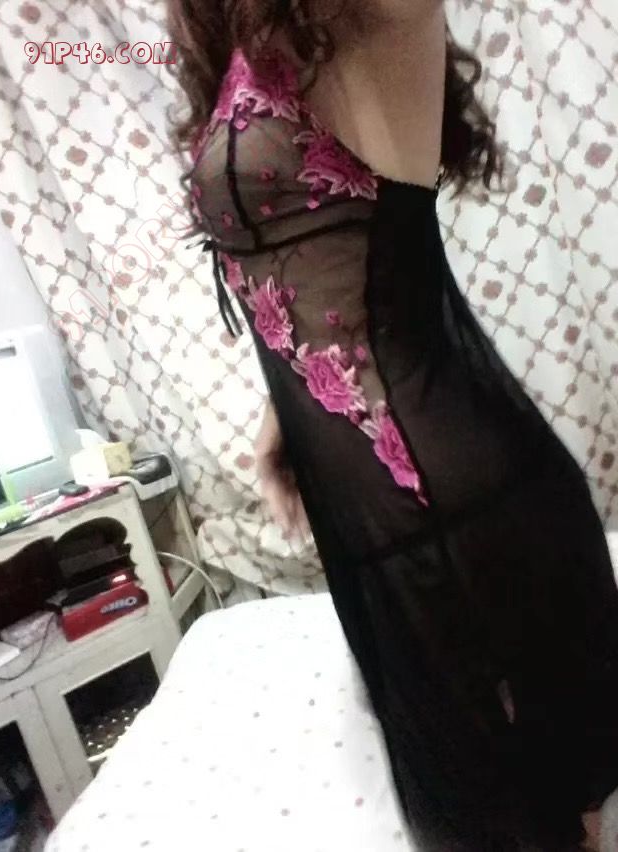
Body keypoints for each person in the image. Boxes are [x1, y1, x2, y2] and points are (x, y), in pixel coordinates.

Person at [168, 2, 618, 849]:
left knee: (527, 812)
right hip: (379, 519)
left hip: (458, 507)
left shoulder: (367, 17)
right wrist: (281, 419)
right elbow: (311, 285)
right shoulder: (244, 48)